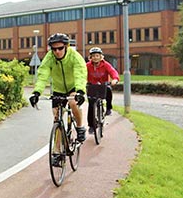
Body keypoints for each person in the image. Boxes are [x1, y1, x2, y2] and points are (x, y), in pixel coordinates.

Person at [29, 33, 88, 165]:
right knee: (57, 118)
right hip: (58, 89)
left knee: (73, 103)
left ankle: (79, 127)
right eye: (54, 49)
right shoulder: (49, 58)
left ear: (66, 46)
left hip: (74, 87)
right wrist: (37, 92)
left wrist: (80, 91)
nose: (57, 51)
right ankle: (56, 152)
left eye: (60, 48)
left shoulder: (74, 57)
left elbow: (80, 74)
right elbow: (43, 74)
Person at [85, 47, 119, 133]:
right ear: (90, 57)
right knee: (91, 105)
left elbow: (112, 71)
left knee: (108, 89)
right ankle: (91, 126)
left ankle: (108, 108)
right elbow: (82, 73)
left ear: (101, 57)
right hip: (92, 86)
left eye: (97, 55)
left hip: (103, 85)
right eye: (93, 56)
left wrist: (115, 79)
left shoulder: (106, 64)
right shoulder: (87, 65)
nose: (95, 57)